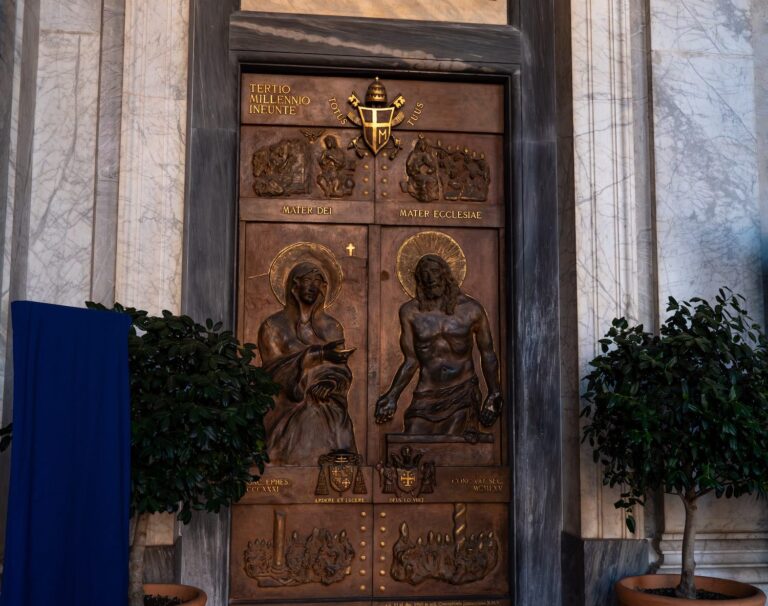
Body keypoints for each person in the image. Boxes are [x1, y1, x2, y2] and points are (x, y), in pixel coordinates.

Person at [375, 254, 503, 437]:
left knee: (449, 442)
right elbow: (411, 360)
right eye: (424, 274)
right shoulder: (410, 312)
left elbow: (488, 354)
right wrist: (392, 396)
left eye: (434, 271)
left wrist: (494, 393)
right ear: (419, 280)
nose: (430, 278)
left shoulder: (471, 310)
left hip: (462, 392)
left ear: (446, 274)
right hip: (426, 393)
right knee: (412, 438)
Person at [259, 262, 356, 465]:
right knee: (308, 415)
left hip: (328, 400)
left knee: (335, 417)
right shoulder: (273, 326)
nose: (313, 286)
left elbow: (341, 369)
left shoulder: (332, 327)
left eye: (317, 281)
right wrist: (318, 354)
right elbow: (273, 372)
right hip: (288, 403)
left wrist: (330, 383)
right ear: (295, 285)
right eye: (308, 280)